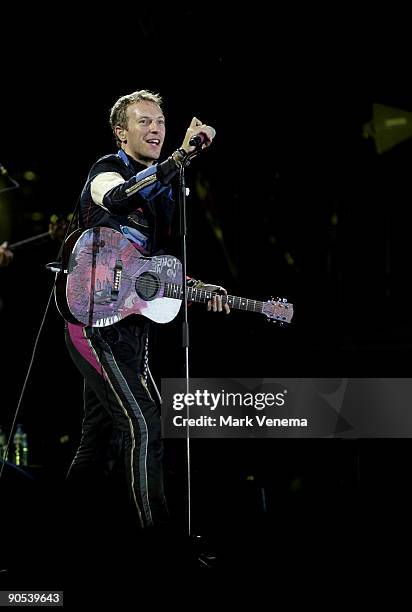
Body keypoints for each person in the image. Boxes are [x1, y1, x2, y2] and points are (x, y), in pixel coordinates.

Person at [63, 90, 229, 565]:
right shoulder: (105, 169)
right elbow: (115, 198)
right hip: (93, 320)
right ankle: (157, 546)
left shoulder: (165, 191)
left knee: (99, 438)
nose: (156, 129)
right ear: (122, 132)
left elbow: (149, 267)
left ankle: (69, 537)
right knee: (143, 421)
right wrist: (179, 157)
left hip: (130, 326)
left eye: (160, 121)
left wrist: (200, 287)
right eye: (144, 122)